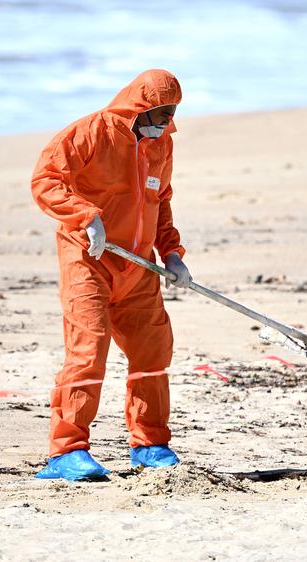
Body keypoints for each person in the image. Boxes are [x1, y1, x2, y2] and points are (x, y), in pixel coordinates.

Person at [30, 69, 192, 481]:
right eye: (158, 115)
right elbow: (46, 180)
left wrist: (172, 253)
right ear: (137, 107)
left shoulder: (162, 143)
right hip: (88, 258)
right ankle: (66, 452)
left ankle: (150, 444)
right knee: (88, 350)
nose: (164, 125)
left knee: (153, 352)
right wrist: (84, 217)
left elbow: (161, 200)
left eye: (170, 116)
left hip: (138, 265)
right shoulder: (89, 133)